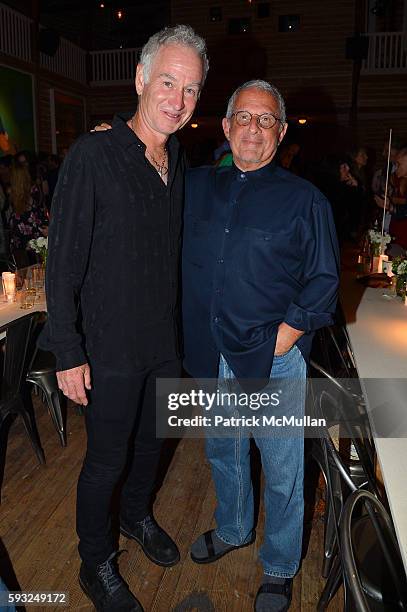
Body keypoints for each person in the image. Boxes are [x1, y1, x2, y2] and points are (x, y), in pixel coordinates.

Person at [39, 25, 208, 612]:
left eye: (190, 89)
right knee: (105, 460)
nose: (177, 99)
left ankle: (137, 516)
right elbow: (61, 263)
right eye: (167, 81)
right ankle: (94, 564)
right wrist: (67, 351)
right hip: (107, 347)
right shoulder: (94, 153)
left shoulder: (177, 158)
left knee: (151, 445)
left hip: (164, 343)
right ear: (139, 79)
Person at [182, 80, 339, 611]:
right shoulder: (195, 186)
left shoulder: (304, 199)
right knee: (223, 453)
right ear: (225, 127)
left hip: (273, 360)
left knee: (283, 471)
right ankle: (232, 528)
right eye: (243, 118)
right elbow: (142, 159)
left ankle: (278, 564)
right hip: (211, 352)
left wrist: (286, 337)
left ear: (281, 130)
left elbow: (324, 281)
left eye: (265, 119)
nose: (253, 128)